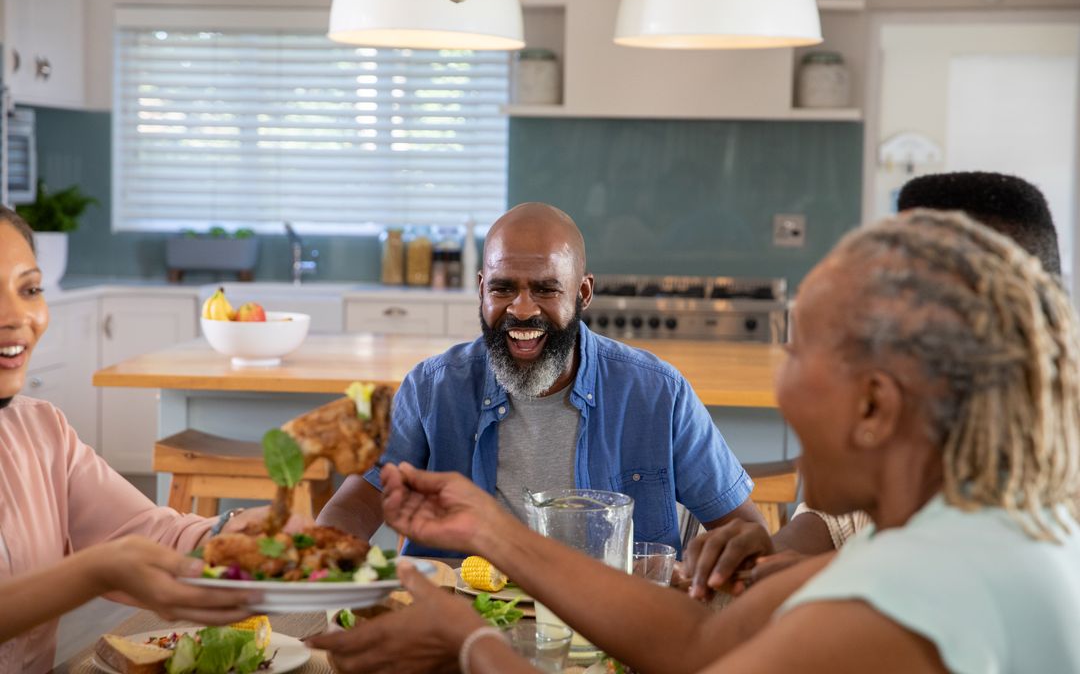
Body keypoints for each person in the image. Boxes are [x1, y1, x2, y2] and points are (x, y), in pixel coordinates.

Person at [310, 209, 1080, 673]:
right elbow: (693, 642)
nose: (776, 382)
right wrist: (485, 527)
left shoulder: (903, 604)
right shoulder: (963, 540)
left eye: (797, 350)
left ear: (875, 406)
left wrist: (471, 643)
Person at [680, 170, 1066, 600]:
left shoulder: (1010, 524)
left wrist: (824, 576)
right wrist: (774, 558)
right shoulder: (920, 428)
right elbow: (839, 528)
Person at [317, 202, 764, 556]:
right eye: (503, 288)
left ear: (583, 292)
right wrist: (313, 561)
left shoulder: (657, 393)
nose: (522, 309)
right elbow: (358, 503)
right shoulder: (433, 388)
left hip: (611, 627)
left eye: (546, 289)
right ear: (481, 289)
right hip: (462, 620)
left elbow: (743, 529)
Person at [0, 207, 260, 673]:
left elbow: (145, 533)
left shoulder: (39, 431)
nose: (17, 317)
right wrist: (93, 571)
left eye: (30, 289)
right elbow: (113, 558)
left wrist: (236, 533)